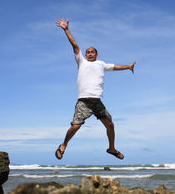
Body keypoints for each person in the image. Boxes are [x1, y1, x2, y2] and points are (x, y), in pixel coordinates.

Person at [55, 18, 136, 160]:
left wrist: (128, 66)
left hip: (97, 102)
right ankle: (63, 144)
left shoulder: (101, 64)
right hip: (84, 102)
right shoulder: (81, 62)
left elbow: (115, 67)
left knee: (110, 125)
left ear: (96, 54)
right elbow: (74, 45)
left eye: (92, 52)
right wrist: (66, 29)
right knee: (75, 127)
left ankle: (111, 148)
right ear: (85, 55)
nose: (90, 53)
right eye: (88, 52)